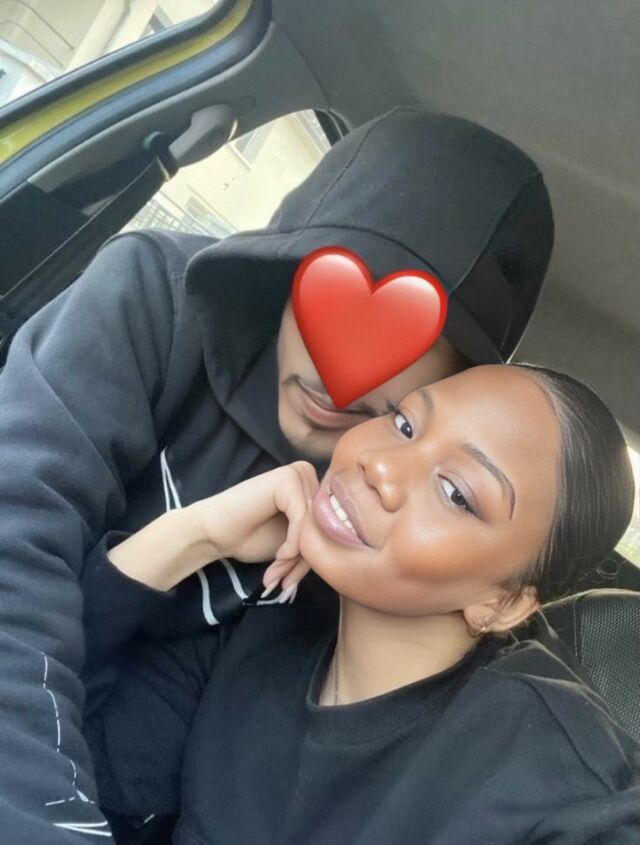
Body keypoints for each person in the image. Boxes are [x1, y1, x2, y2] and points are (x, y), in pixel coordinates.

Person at [0, 106, 553, 840]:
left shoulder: (368, 525)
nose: (340, 376)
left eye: (410, 347)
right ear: (288, 271)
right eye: (338, 300)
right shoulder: (155, 301)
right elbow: (15, 535)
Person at [83, 363, 639, 844]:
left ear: (504, 602)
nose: (380, 465)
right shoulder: (267, 612)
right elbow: (66, 736)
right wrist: (193, 536)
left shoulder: (553, 775)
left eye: (455, 493)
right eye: (404, 423)